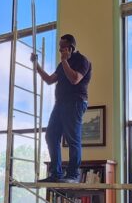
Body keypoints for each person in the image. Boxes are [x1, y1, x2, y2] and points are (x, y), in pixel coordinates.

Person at [31, 33, 92, 183]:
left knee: (72, 139)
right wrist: (36, 65)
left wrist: (65, 61)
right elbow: (49, 80)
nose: (60, 51)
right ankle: (56, 173)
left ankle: (73, 175)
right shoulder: (61, 64)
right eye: (59, 49)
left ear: (70, 47)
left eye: (62, 48)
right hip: (60, 104)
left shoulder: (81, 60)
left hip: (76, 102)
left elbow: (75, 79)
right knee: (51, 135)